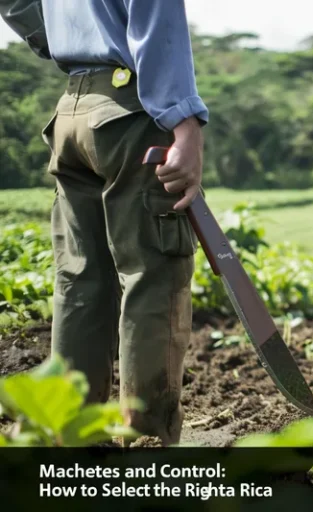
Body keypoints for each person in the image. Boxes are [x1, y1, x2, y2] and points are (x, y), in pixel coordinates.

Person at [0, 1, 208, 446]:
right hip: (130, 111)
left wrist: (57, 36)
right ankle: (145, 443)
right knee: (153, 275)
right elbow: (155, 15)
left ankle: (72, 439)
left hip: (71, 112)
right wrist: (183, 119)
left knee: (80, 280)